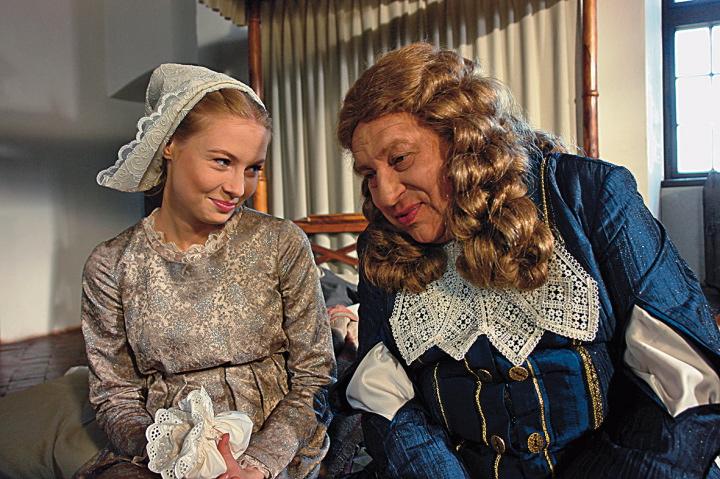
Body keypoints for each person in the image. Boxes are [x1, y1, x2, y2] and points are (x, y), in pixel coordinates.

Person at [338, 43, 720, 478]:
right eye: (370, 174)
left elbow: (684, 388)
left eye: (400, 159)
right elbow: (385, 398)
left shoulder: (588, 197)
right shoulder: (381, 247)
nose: (386, 195)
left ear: (461, 137)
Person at [79, 64, 335, 478]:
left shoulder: (280, 242)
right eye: (222, 161)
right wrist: (177, 456)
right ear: (170, 145)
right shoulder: (111, 265)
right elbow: (115, 395)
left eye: (252, 168)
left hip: (272, 448)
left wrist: (257, 465)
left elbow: (315, 376)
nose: (237, 187)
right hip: (162, 455)